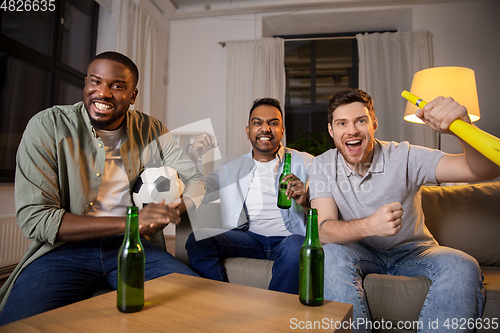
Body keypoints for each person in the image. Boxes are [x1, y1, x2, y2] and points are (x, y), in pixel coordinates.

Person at [0, 51, 205, 325]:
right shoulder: (47, 125)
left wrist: (174, 209)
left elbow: (197, 181)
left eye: (117, 86)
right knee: (18, 324)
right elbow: (36, 220)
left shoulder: (152, 130)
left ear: (133, 96)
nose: (103, 93)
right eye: (95, 82)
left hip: (134, 247)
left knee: (200, 308)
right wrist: (133, 222)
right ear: (85, 83)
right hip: (63, 250)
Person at [309, 88, 500, 332]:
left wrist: (461, 127)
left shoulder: (404, 156)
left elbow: (483, 170)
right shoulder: (322, 165)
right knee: (331, 256)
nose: (352, 130)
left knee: (464, 264)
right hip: (358, 252)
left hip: (414, 251)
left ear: (374, 124)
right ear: (331, 130)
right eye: (342, 123)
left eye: (361, 120)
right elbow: (323, 231)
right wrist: (370, 225)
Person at [185, 98, 313, 294]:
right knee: (198, 239)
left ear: (282, 130)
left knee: (297, 245)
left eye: (273, 123)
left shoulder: (307, 163)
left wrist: (305, 202)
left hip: (289, 239)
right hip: (250, 239)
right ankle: (217, 301)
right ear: (248, 131)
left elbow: (326, 214)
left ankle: (276, 314)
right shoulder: (231, 168)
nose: (265, 129)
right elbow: (197, 189)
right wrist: (192, 157)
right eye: (257, 122)